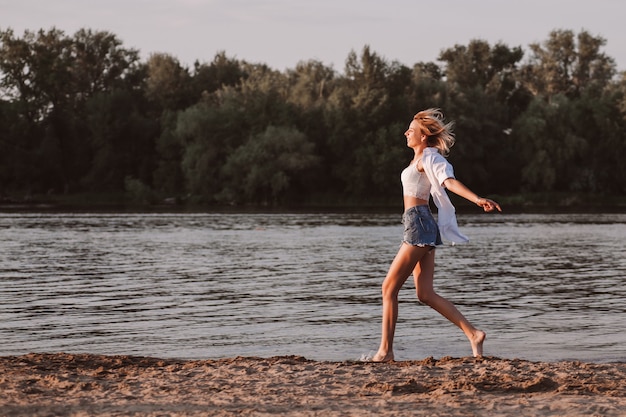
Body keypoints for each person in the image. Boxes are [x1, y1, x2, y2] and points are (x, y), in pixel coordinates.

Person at [371, 108, 501, 362]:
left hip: (419, 224)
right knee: (425, 294)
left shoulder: (429, 158)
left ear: (423, 137)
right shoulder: (417, 159)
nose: (406, 132)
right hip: (419, 223)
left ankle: (385, 352)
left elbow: (448, 181)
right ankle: (473, 334)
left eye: (412, 130)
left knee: (388, 288)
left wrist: (476, 199)